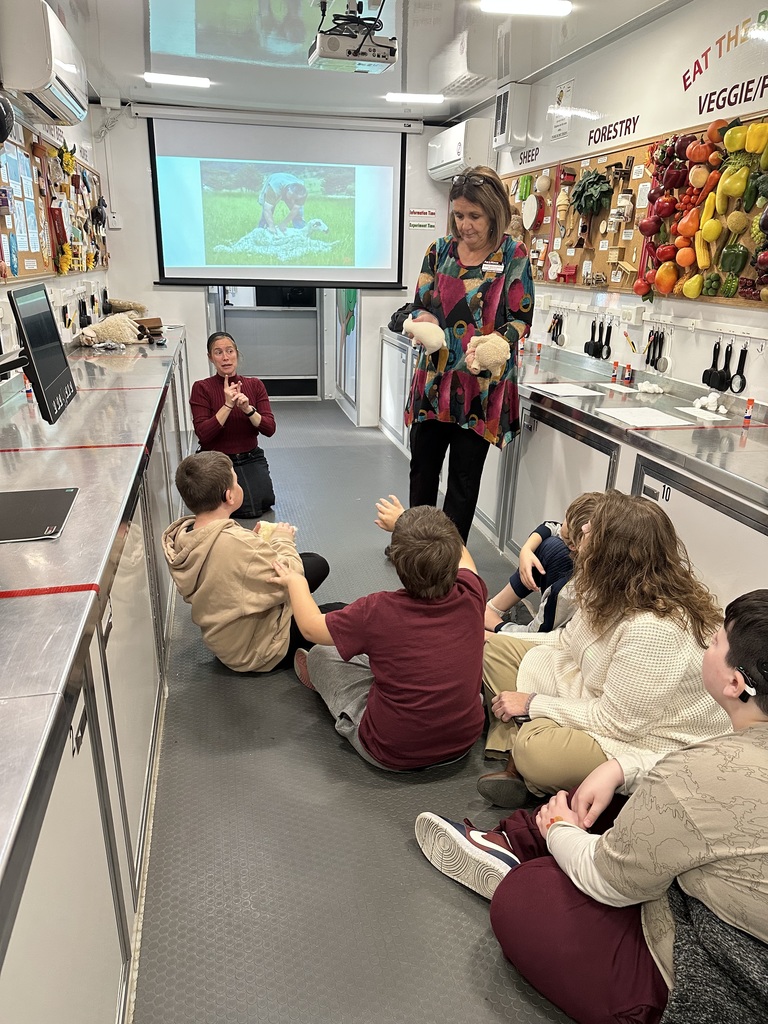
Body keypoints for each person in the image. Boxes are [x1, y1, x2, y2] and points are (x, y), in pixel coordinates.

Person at [414, 589, 768, 1024]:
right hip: (714, 886)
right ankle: (515, 839)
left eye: (716, 640)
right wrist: (622, 766)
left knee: (529, 893)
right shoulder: (717, 755)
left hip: (726, 974)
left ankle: (531, 850)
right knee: (618, 801)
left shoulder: (692, 769)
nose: (708, 641)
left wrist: (562, 829)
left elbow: (612, 879)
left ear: (737, 684)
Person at [477, 490, 730, 807]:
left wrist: (532, 703)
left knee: (536, 754)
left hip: (643, 737)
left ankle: (520, 752)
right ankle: (523, 748)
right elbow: (565, 642)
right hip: (591, 693)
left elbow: (619, 723)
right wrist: (499, 638)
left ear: (612, 554)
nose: (581, 533)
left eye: (589, 532)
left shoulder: (655, 628)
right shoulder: (607, 585)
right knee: (493, 650)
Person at [270, 495, 486, 771]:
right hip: (462, 744)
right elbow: (463, 554)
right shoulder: (472, 589)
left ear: (397, 564)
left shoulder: (377, 610)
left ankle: (349, 710)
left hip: (391, 750)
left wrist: (295, 582)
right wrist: (405, 522)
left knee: (322, 655)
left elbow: (311, 627)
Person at [404, 166, 534, 543]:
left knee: (464, 478)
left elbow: (521, 316)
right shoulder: (439, 251)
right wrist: (419, 318)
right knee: (423, 470)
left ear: (494, 213)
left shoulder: (513, 254)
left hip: (481, 386)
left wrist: (500, 342)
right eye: (459, 215)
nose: (465, 225)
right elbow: (418, 304)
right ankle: (415, 547)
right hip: (434, 381)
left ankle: (449, 558)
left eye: (474, 216)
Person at [163, 451, 336, 673]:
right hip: (258, 650)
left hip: (225, 640)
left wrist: (255, 542)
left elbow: (230, 563)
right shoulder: (237, 544)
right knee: (339, 611)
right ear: (229, 496)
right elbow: (290, 572)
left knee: (314, 563)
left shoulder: (184, 535)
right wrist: (283, 540)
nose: (239, 484)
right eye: (236, 481)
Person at [484, 491, 599, 634]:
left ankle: (490, 616)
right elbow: (552, 527)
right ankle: (493, 608)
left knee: (554, 549)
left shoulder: (568, 591)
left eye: (566, 518)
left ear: (574, 546)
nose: (562, 520)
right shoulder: (586, 548)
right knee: (551, 544)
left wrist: (497, 626)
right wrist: (526, 550)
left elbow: (537, 635)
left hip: (552, 642)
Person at [190, 331, 276, 519]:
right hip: (217, 461)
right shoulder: (201, 388)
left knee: (262, 502)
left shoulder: (254, 385)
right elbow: (204, 434)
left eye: (230, 351)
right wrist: (228, 405)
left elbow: (269, 428)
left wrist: (248, 410)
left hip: (250, 456)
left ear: (237, 353)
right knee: (231, 507)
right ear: (210, 358)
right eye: (218, 352)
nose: (225, 357)